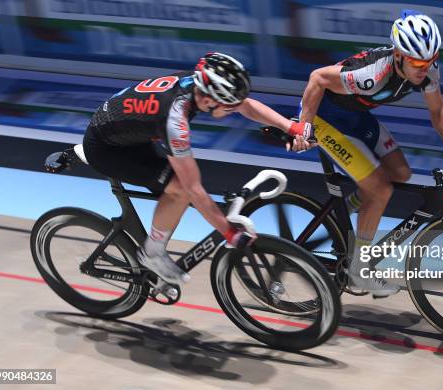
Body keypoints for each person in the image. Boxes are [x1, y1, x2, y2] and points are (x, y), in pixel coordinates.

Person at [83, 52, 313, 293]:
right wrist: (229, 233)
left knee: (180, 183)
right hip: (107, 149)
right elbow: (194, 189)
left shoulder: (199, 85)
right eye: (228, 105)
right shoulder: (175, 120)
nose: (233, 109)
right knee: (180, 189)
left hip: (131, 133)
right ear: (208, 100)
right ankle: (151, 253)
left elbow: (245, 106)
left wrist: (292, 126)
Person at [289, 11, 443, 296]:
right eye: (417, 62)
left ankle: (350, 208)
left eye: (429, 61)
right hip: (326, 121)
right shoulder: (371, 76)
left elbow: (438, 110)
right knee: (380, 190)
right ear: (400, 55)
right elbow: (317, 78)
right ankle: (359, 270)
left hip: (356, 116)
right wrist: (302, 127)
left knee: (401, 173)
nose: (424, 68)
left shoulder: (427, 70)